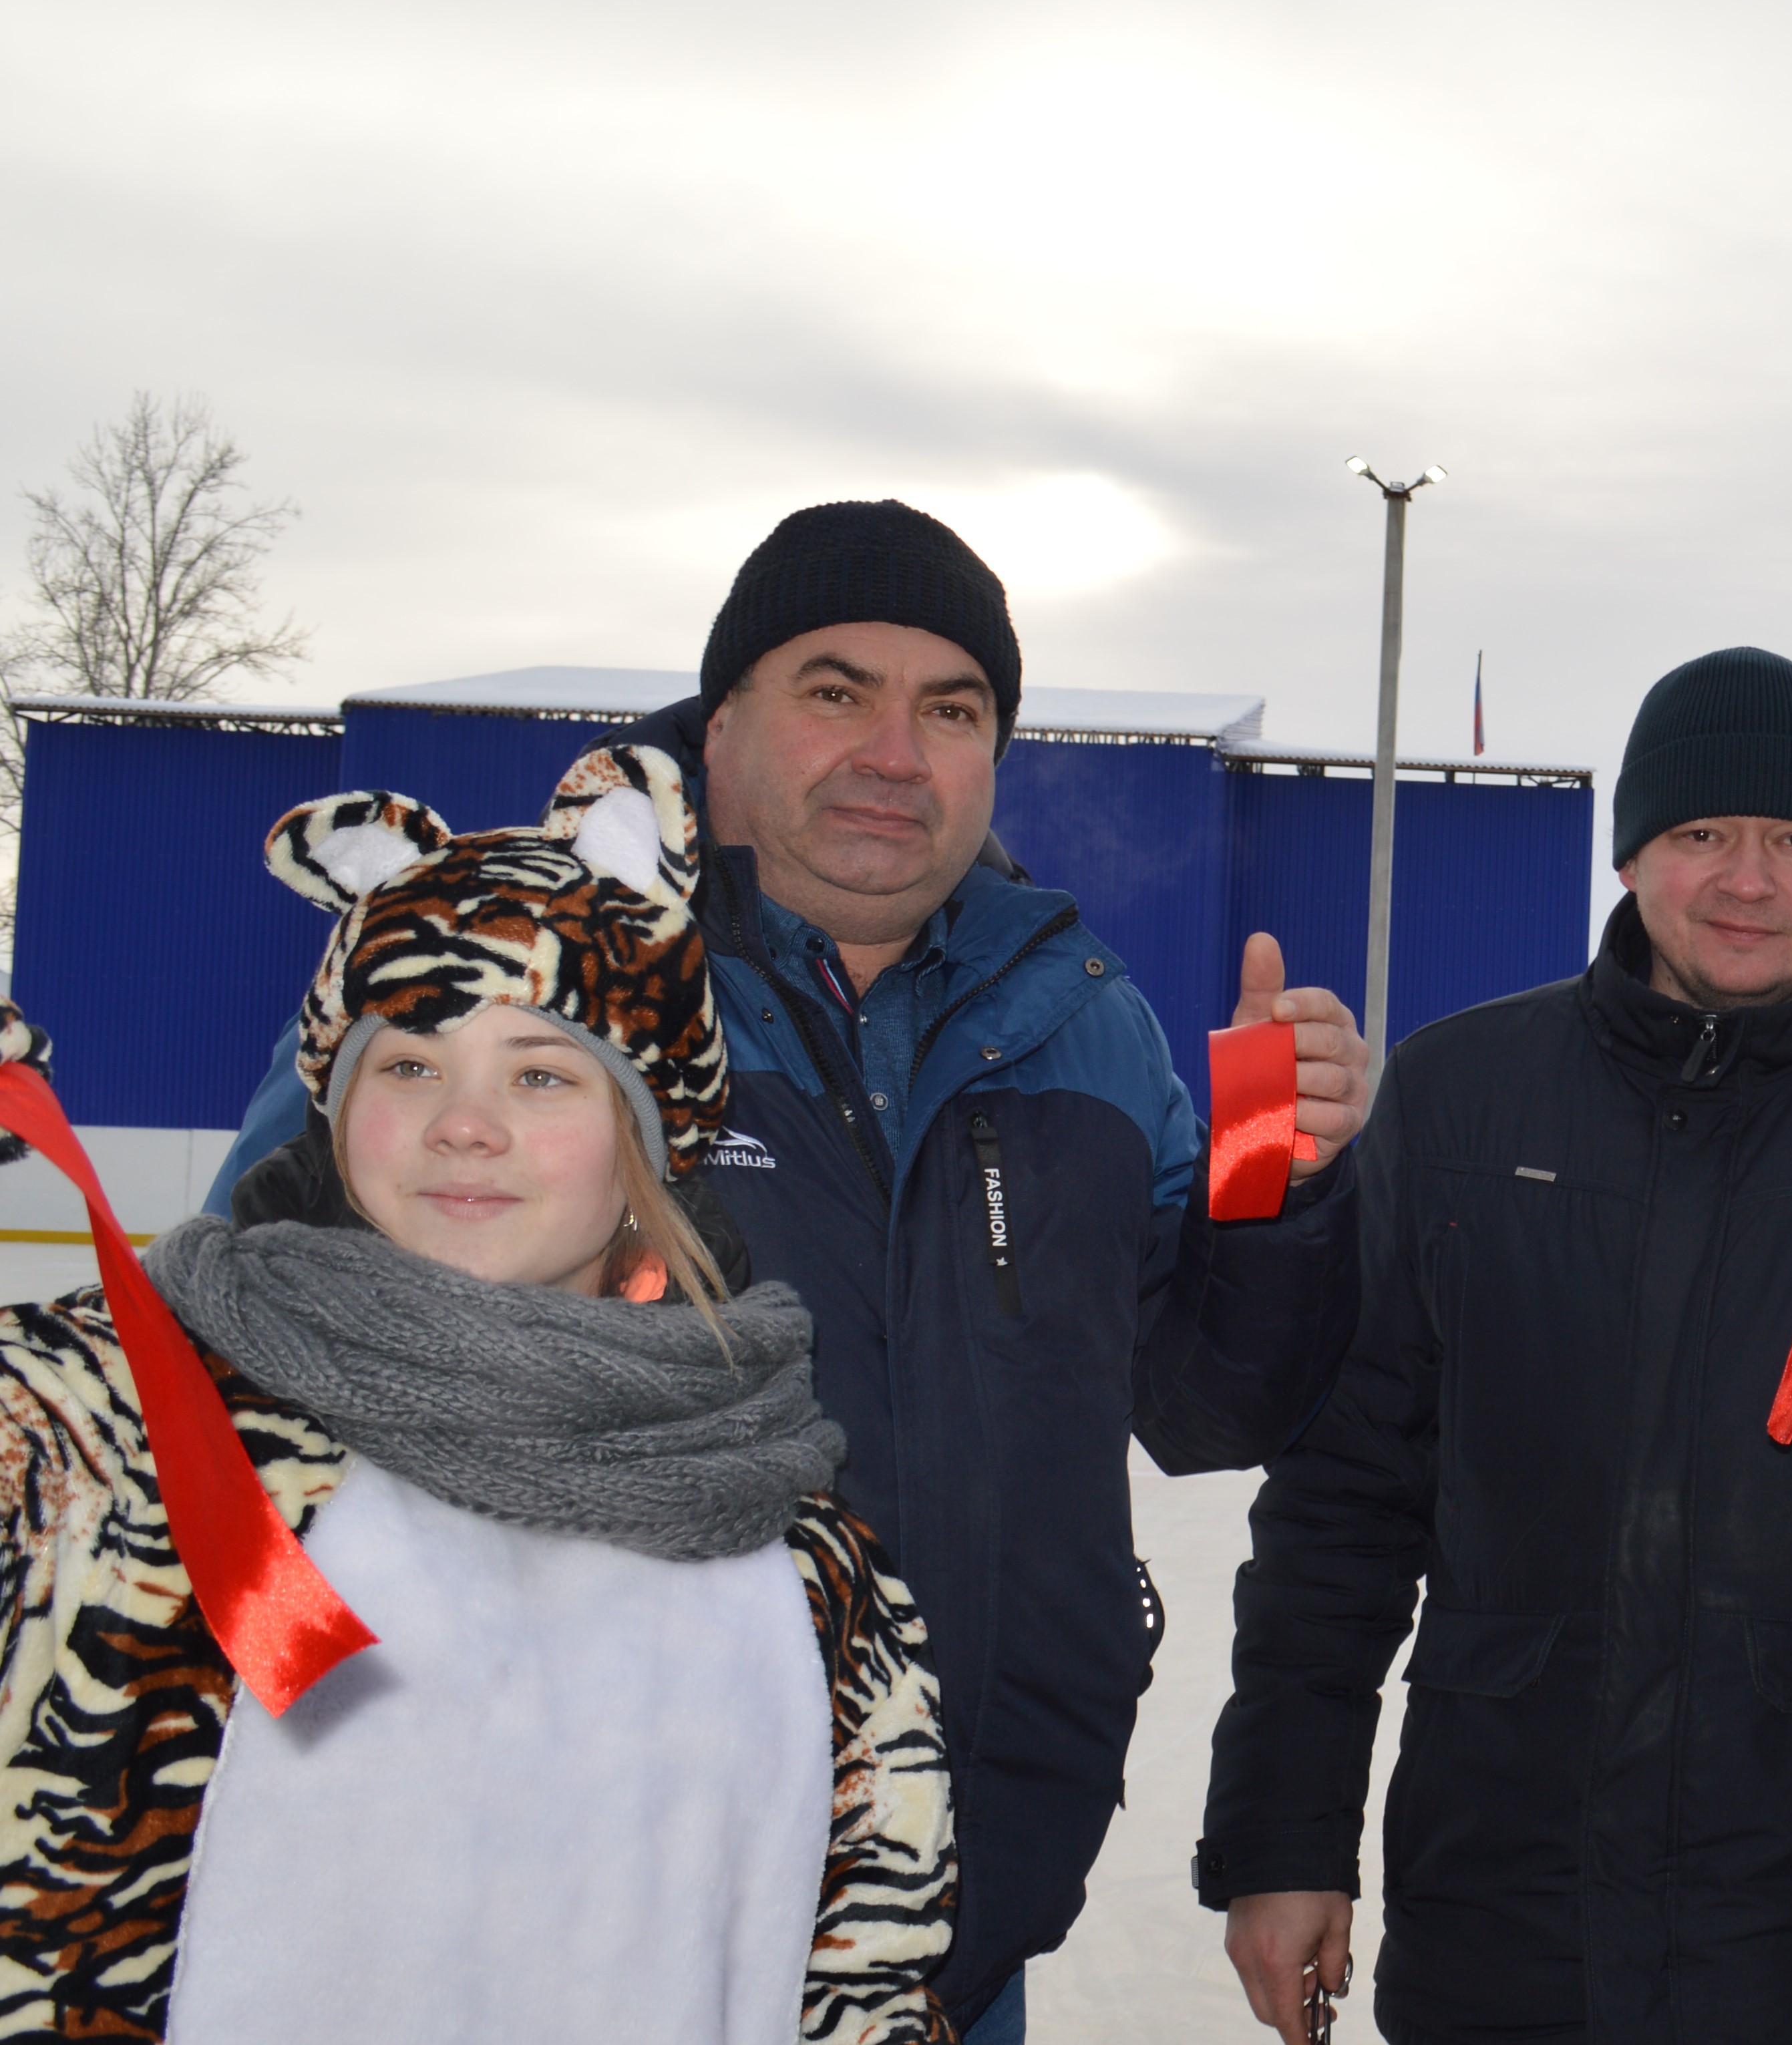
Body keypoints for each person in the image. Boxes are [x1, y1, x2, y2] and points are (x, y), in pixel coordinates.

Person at [206, 502, 1373, 2039]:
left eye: (951, 710)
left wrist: (1278, 1189)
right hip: (553, 1933)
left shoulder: (1089, 1023)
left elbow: (1210, 1401)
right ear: (724, 718)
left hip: (952, 1922)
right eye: (837, 690)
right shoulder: (528, 957)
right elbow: (224, 1398)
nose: (896, 750)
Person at [1198, 646, 1792, 2045]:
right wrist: (1284, 1834)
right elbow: (1341, 1499)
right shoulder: (1461, 1095)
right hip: (1509, 1909)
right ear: (1632, 854)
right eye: (1701, 832)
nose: (1747, 877)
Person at [0, 745, 950, 2042]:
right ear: (333, 1110)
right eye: (407, 1064)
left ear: (646, 1142)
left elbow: (864, 1974)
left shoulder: (794, 1541)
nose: (464, 1120)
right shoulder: (95, 1419)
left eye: (542, 1071)